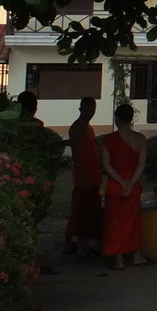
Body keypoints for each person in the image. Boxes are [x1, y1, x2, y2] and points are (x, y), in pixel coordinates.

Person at [101, 104, 152, 270]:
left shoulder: (108, 140)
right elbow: (141, 165)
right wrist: (130, 184)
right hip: (133, 184)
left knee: (115, 223)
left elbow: (107, 166)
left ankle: (119, 260)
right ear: (131, 119)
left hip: (115, 185)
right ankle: (137, 255)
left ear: (116, 118)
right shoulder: (140, 139)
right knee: (134, 222)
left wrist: (122, 183)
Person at [61, 97, 103, 257]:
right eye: (87, 111)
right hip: (84, 175)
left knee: (89, 209)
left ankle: (81, 244)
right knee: (80, 210)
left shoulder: (87, 127)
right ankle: (78, 244)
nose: (90, 114)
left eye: (93, 111)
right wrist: (82, 176)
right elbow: (76, 154)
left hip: (93, 173)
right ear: (80, 109)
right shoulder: (77, 127)